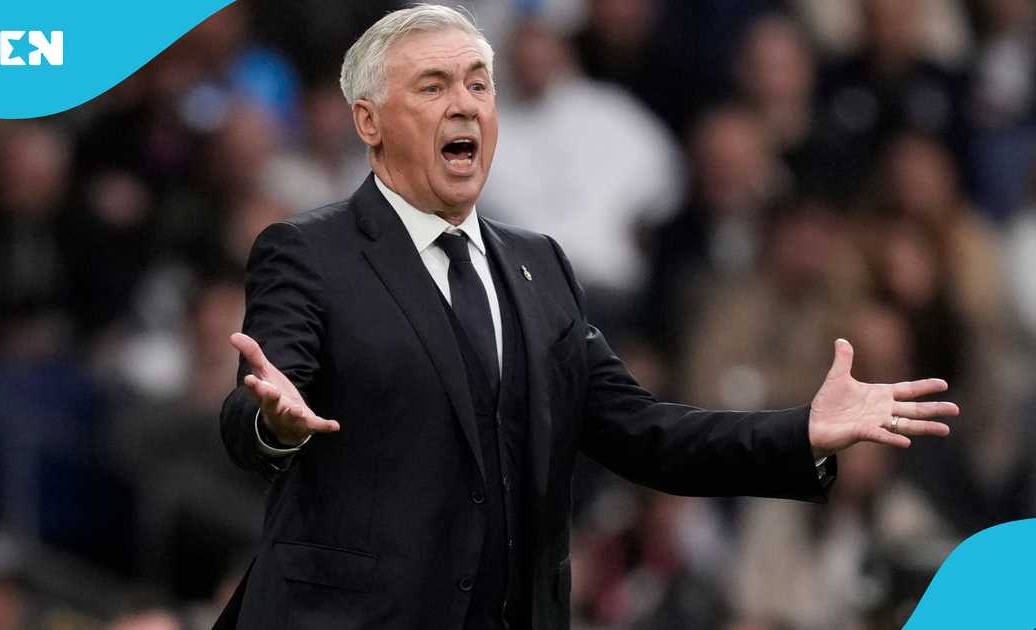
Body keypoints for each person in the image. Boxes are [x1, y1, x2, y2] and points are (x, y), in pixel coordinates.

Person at [215, 6, 957, 629]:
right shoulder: (309, 251)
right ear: (369, 122)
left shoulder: (539, 268)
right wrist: (272, 425)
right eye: (434, 86)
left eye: (479, 84)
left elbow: (643, 435)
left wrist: (801, 432)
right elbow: (265, 399)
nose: (465, 104)